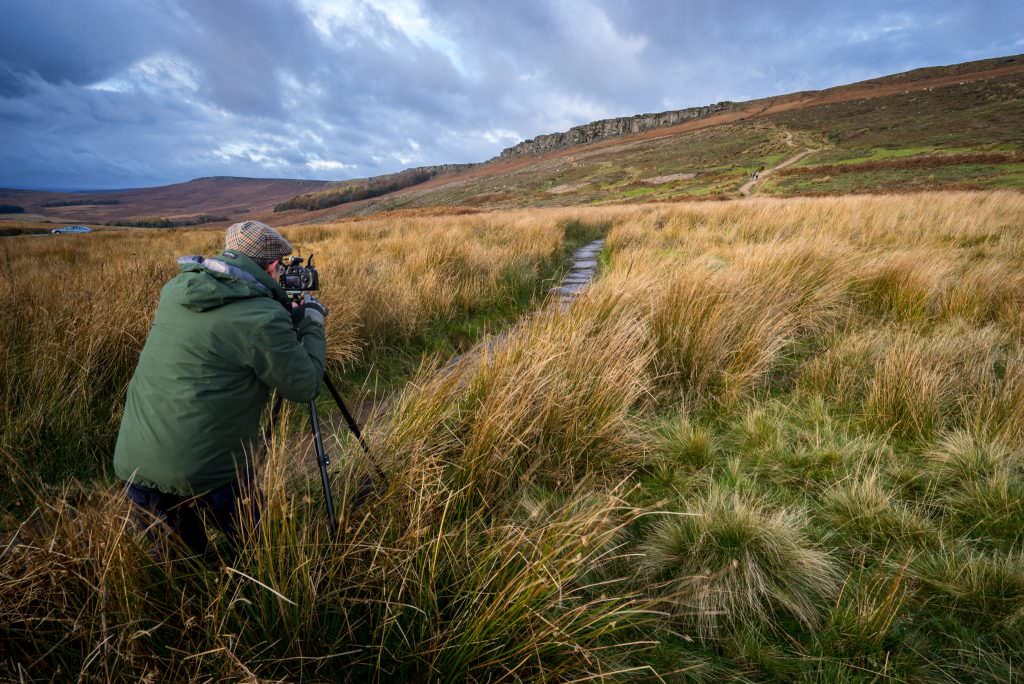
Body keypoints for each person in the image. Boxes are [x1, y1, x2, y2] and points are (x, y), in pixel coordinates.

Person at [113, 220, 327, 561]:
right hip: (208, 474)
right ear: (272, 266)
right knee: (265, 555)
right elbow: (304, 386)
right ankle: (269, 598)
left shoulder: (176, 291)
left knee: (182, 571)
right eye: (281, 269)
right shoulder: (261, 318)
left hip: (134, 466)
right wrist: (311, 324)